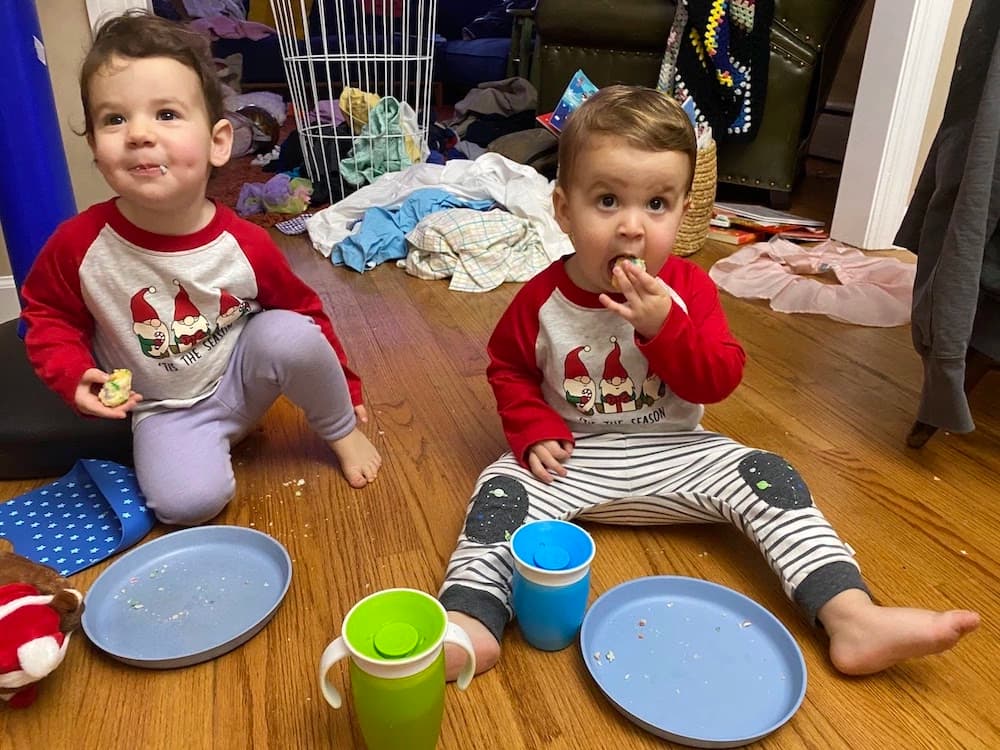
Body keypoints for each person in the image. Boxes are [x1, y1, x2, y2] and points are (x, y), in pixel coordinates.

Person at [439, 85, 980, 679]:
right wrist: (534, 426)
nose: (632, 228)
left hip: (678, 456)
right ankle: (472, 619)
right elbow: (508, 368)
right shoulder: (542, 299)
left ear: (684, 207)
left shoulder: (690, 291)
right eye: (608, 200)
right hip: (573, 461)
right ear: (564, 210)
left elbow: (718, 379)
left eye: (657, 204)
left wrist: (665, 328)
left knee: (770, 473)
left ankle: (851, 616)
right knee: (500, 486)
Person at [19, 11, 381, 525]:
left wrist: (345, 392)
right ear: (97, 152)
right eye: (114, 119)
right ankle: (210, 445)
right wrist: (72, 373)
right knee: (184, 505)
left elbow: (306, 313)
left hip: (243, 376)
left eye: (166, 114)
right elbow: (48, 318)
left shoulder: (245, 243)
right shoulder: (79, 245)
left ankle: (341, 430)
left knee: (290, 335)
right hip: (165, 408)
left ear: (218, 143)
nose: (139, 134)